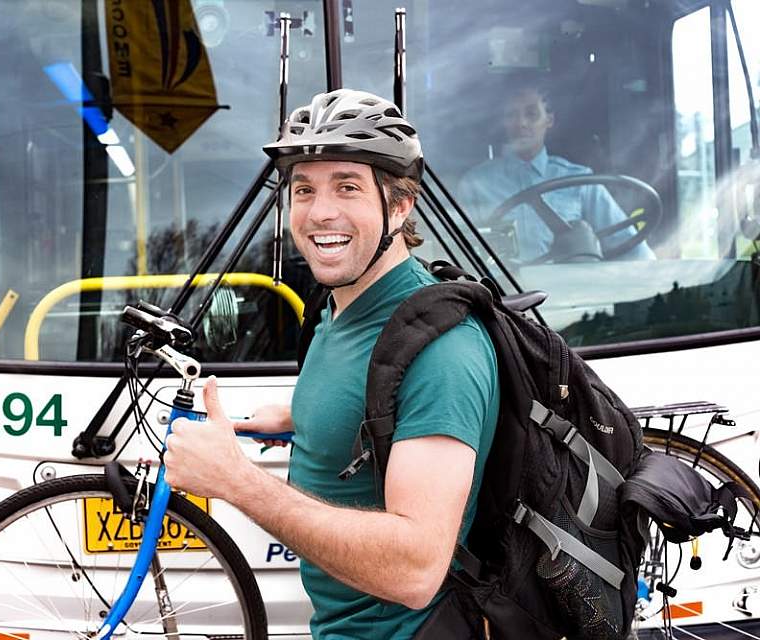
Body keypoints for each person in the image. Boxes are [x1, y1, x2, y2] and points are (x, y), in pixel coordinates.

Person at [162, 89, 500, 638]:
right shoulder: (336, 307)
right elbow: (375, 396)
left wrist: (237, 482)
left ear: (400, 203)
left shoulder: (444, 349)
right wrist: (302, 414)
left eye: (347, 187)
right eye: (303, 189)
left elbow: (416, 569)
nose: (320, 212)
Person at [458, 85, 656, 262]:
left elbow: (634, 251)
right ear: (503, 122)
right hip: (503, 297)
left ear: (549, 120)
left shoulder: (581, 181)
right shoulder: (475, 184)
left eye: (532, 114)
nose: (521, 123)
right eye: (512, 115)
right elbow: (458, 253)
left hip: (574, 296)